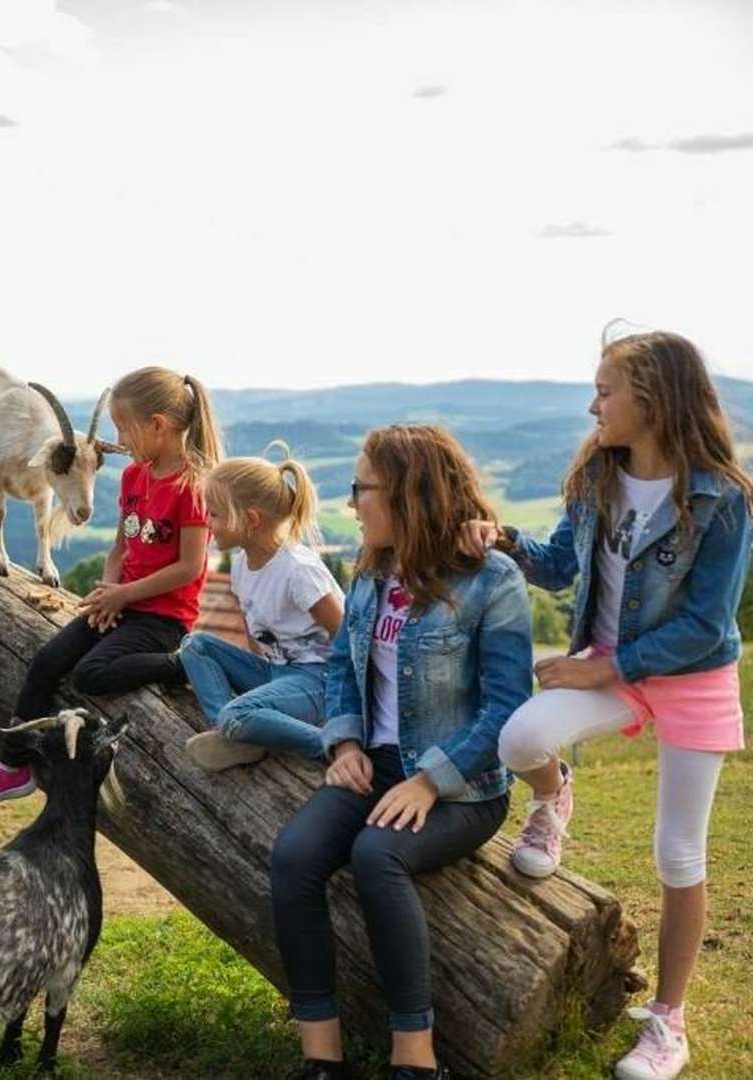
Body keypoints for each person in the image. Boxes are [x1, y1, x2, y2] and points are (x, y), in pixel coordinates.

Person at [461, 327, 751, 1080]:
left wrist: (607, 668)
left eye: (605, 390)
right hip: (610, 668)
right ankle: (556, 799)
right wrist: (506, 543)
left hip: (687, 676)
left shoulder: (724, 498)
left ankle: (669, 1024)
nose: (594, 405)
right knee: (520, 740)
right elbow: (561, 568)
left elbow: (704, 626)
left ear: (652, 399)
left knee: (677, 852)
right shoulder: (597, 479)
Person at [271, 425, 531, 1080]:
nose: (352, 499)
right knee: (294, 856)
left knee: (376, 854)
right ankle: (322, 1059)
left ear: (408, 493)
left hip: (464, 786)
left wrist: (430, 783)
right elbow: (339, 667)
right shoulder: (370, 575)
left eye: (364, 487)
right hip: (377, 765)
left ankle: (414, 1059)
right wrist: (347, 741)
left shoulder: (492, 580)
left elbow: (506, 709)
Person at [0, 366, 223, 810]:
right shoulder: (137, 477)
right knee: (46, 659)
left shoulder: (192, 487)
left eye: (124, 428)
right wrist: (108, 592)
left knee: (89, 675)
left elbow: (191, 568)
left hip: (163, 619)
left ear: (157, 425)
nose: (120, 439)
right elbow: (120, 549)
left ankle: (183, 665)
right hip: (123, 604)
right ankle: (13, 765)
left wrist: (125, 597)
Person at [180, 444, 344, 770]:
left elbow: (348, 639)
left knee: (236, 714)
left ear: (250, 520)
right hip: (275, 671)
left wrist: (347, 710)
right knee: (195, 645)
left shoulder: (298, 572)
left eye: (214, 513)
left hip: (319, 682)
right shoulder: (242, 565)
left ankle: (332, 747)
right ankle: (233, 735)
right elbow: (253, 635)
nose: (207, 522)